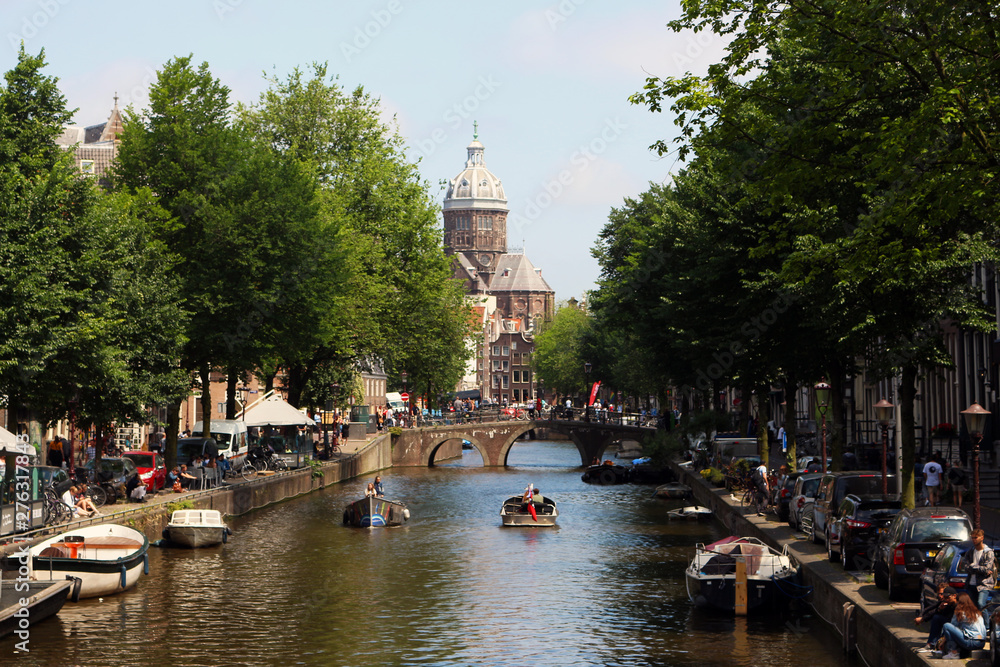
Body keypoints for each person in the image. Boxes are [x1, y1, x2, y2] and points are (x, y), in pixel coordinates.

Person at [939, 592, 986, 659]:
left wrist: (943, 642)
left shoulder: (960, 612)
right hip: (981, 643)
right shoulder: (977, 612)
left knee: (947, 625)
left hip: (971, 642)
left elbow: (951, 627)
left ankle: (953, 652)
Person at [960, 528, 996, 612]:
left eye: (976, 537)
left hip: (983, 584)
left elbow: (987, 569)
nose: (973, 540)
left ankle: (986, 625)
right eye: (972, 538)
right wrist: (979, 568)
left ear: (982, 538)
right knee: (973, 607)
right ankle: (978, 624)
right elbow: (965, 567)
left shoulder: (988, 552)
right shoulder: (970, 551)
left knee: (981, 604)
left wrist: (972, 566)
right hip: (971, 583)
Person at [915, 585, 958, 652]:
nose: (944, 599)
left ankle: (938, 643)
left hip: (956, 626)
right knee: (937, 618)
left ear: (954, 596)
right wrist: (939, 609)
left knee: (945, 624)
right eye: (943, 596)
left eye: (947, 597)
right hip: (950, 623)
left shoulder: (958, 605)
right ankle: (932, 643)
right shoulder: (945, 603)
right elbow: (930, 609)